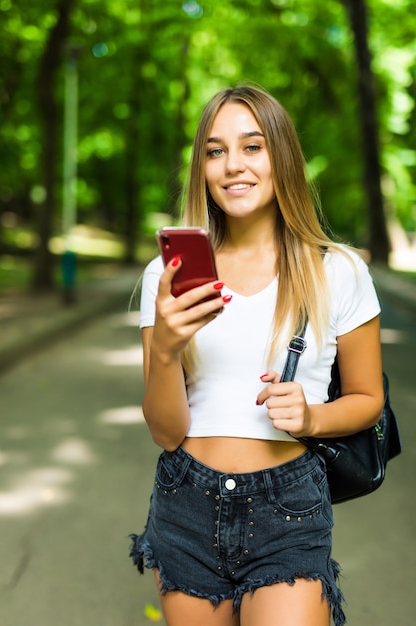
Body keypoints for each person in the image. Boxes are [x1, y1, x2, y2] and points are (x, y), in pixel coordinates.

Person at [129, 85, 384, 626]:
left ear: (282, 158)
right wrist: (168, 351)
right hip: (186, 501)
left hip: (289, 507)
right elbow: (165, 431)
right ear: (202, 167)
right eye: (215, 151)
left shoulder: (337, 270)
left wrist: (313, 416)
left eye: (253, 146)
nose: (232, 166)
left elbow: (367, 400)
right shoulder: (170, 276)